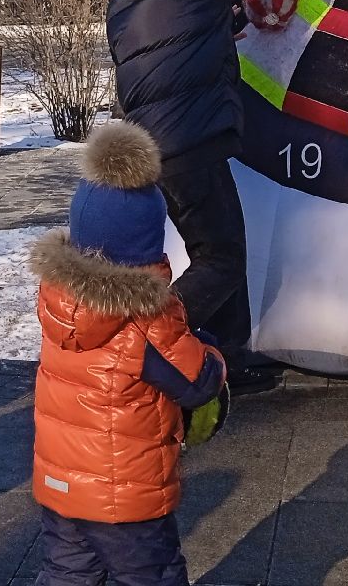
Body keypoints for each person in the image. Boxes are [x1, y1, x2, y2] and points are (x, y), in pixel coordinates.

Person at [105, 0, 332, 384]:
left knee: (221, 246)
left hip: (154, 148)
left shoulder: (124, 0)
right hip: (190, 141)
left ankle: (230, 355)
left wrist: (220, 28)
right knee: (222, 258)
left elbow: (164, 52)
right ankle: (156, 345)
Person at [29, 121, 227, 586]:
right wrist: (215, 355)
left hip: (62, 483)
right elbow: (195, 383)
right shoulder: (146, 318)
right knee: (152, 575)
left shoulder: (60, 301)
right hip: (124, 494)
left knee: (68, 572)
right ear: (147, 245)